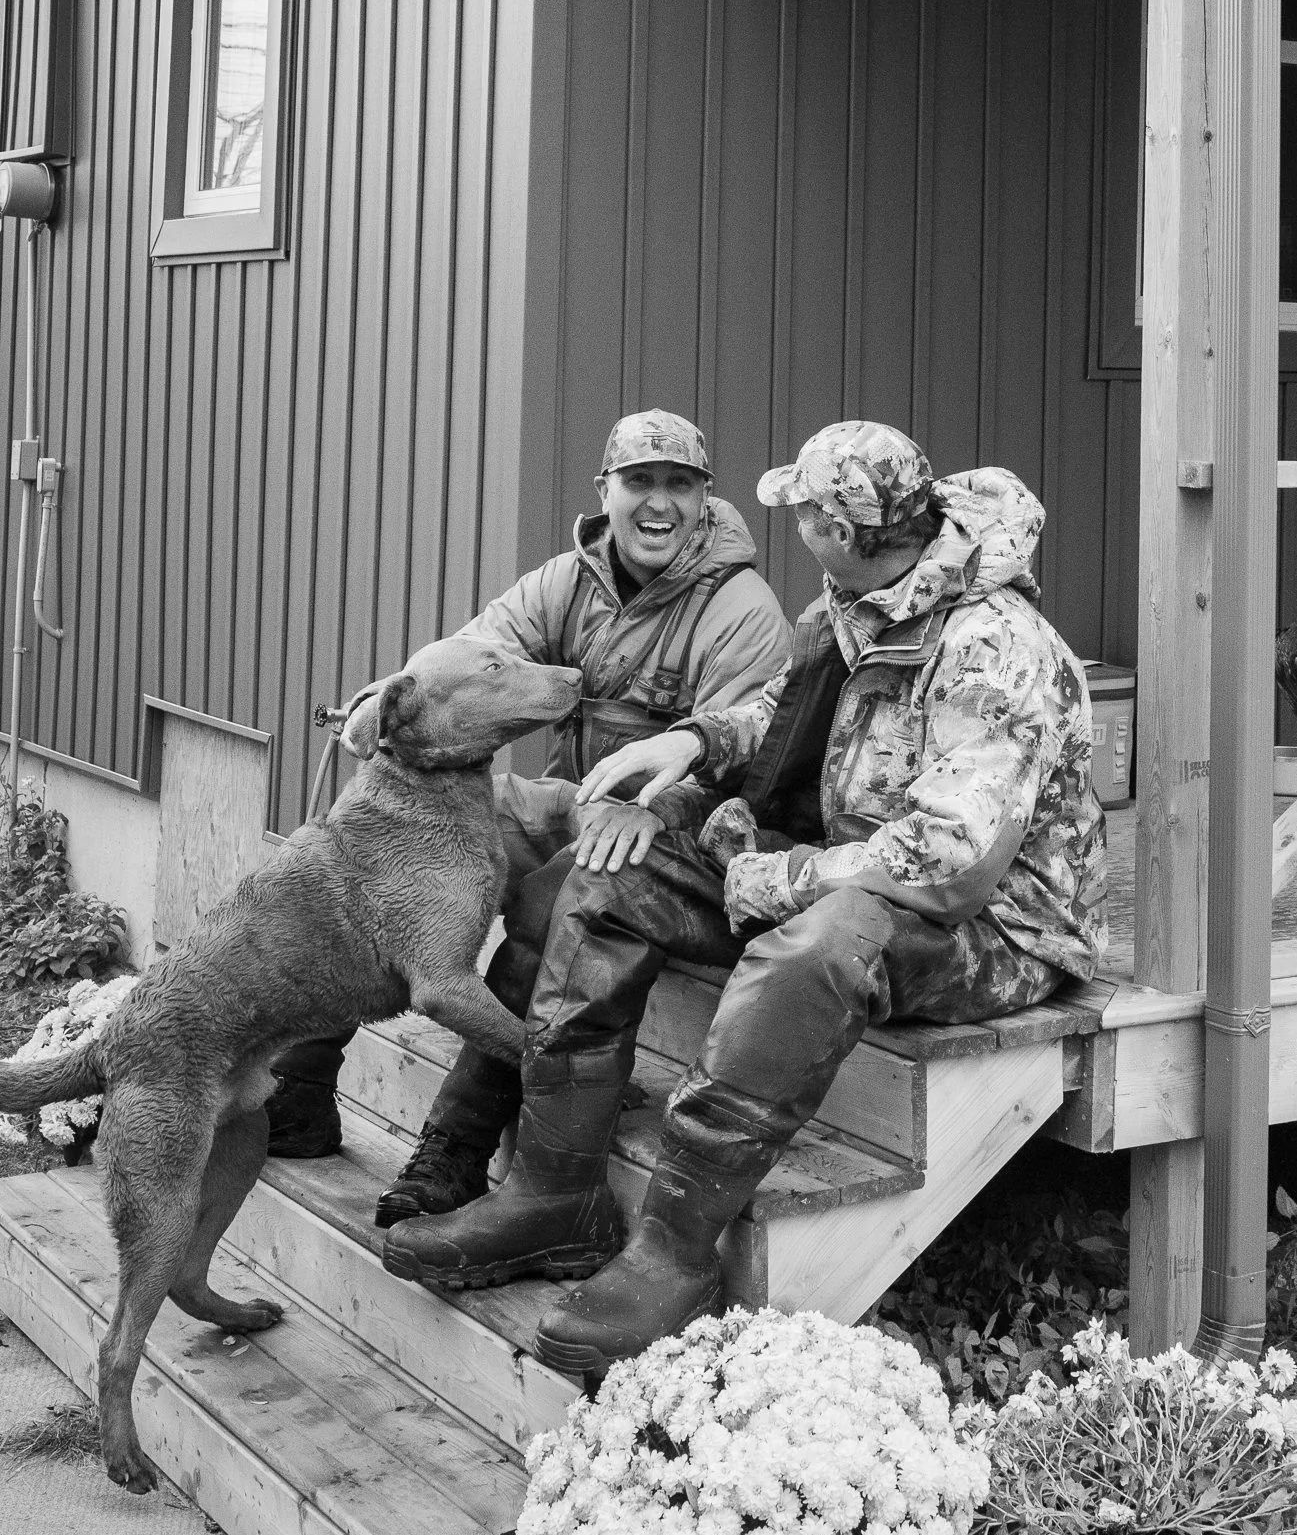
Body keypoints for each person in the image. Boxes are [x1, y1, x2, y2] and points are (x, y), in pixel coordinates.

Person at [382, 419, 1107, 1380]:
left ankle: (673, 1250)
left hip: (997, 928)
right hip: (854, 869)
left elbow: (951, 860)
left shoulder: (994, 648)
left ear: (846, 527)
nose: (793, 526)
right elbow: (779, 708)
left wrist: (773, 879)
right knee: (610, 871)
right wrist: (690, 744)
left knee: (816, 944)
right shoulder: (857, 603)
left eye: (805, 512)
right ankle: (553, 1193)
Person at [265, 411, 790, 1225]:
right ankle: (298, 1091)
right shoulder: (567, 578)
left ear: (705, 498)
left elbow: (745, 767)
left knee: (551, 899)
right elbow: (472, 655)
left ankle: (457, 1147)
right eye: (640, 483)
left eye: (680, 485)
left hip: (675, 831)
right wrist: (385, 698)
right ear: (604, 493)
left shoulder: (741, 608)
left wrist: (660, 810)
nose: (660, 504)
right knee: (369, 837)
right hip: (571, 804)